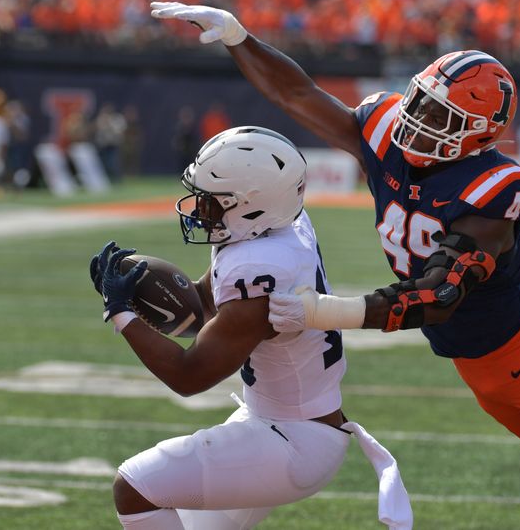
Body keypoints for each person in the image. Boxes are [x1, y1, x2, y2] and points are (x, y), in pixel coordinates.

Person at [150, 3, 520, 524]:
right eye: (422, 102)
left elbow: (438, 296)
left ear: (479, 134)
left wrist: (320, 312)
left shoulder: (490, 190)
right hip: (479, 362)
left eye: (441, 116)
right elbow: (298, 94)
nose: (420, 120)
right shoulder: (385, 133)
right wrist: (241, 39)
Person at [89, 126, 412, 530]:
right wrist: (137, 289)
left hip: (291, 442)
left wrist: (120, 312)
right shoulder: (274, 229)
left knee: (134, 488)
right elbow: (204, 308)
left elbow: (189, 376)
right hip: (277, 425)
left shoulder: (260, 270)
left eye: (212, 200)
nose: (199, 208)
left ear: (251, 205)